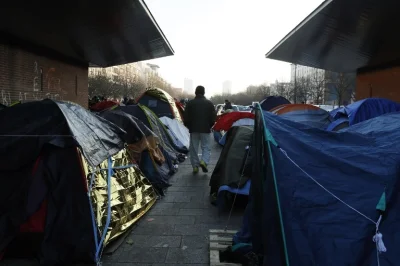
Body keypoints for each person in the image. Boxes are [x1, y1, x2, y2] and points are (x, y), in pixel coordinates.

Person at [184, 85, 217, 174]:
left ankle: (195, 166)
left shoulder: (190, 103)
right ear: (204, 93)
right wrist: (209, 125)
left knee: (194, 148)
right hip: (205, 128)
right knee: (206, 147)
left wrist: (188, 126)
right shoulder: (209, 103)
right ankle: (204, 162)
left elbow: (185, 117)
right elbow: (213, 117)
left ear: (195, 92)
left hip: (193, 129)